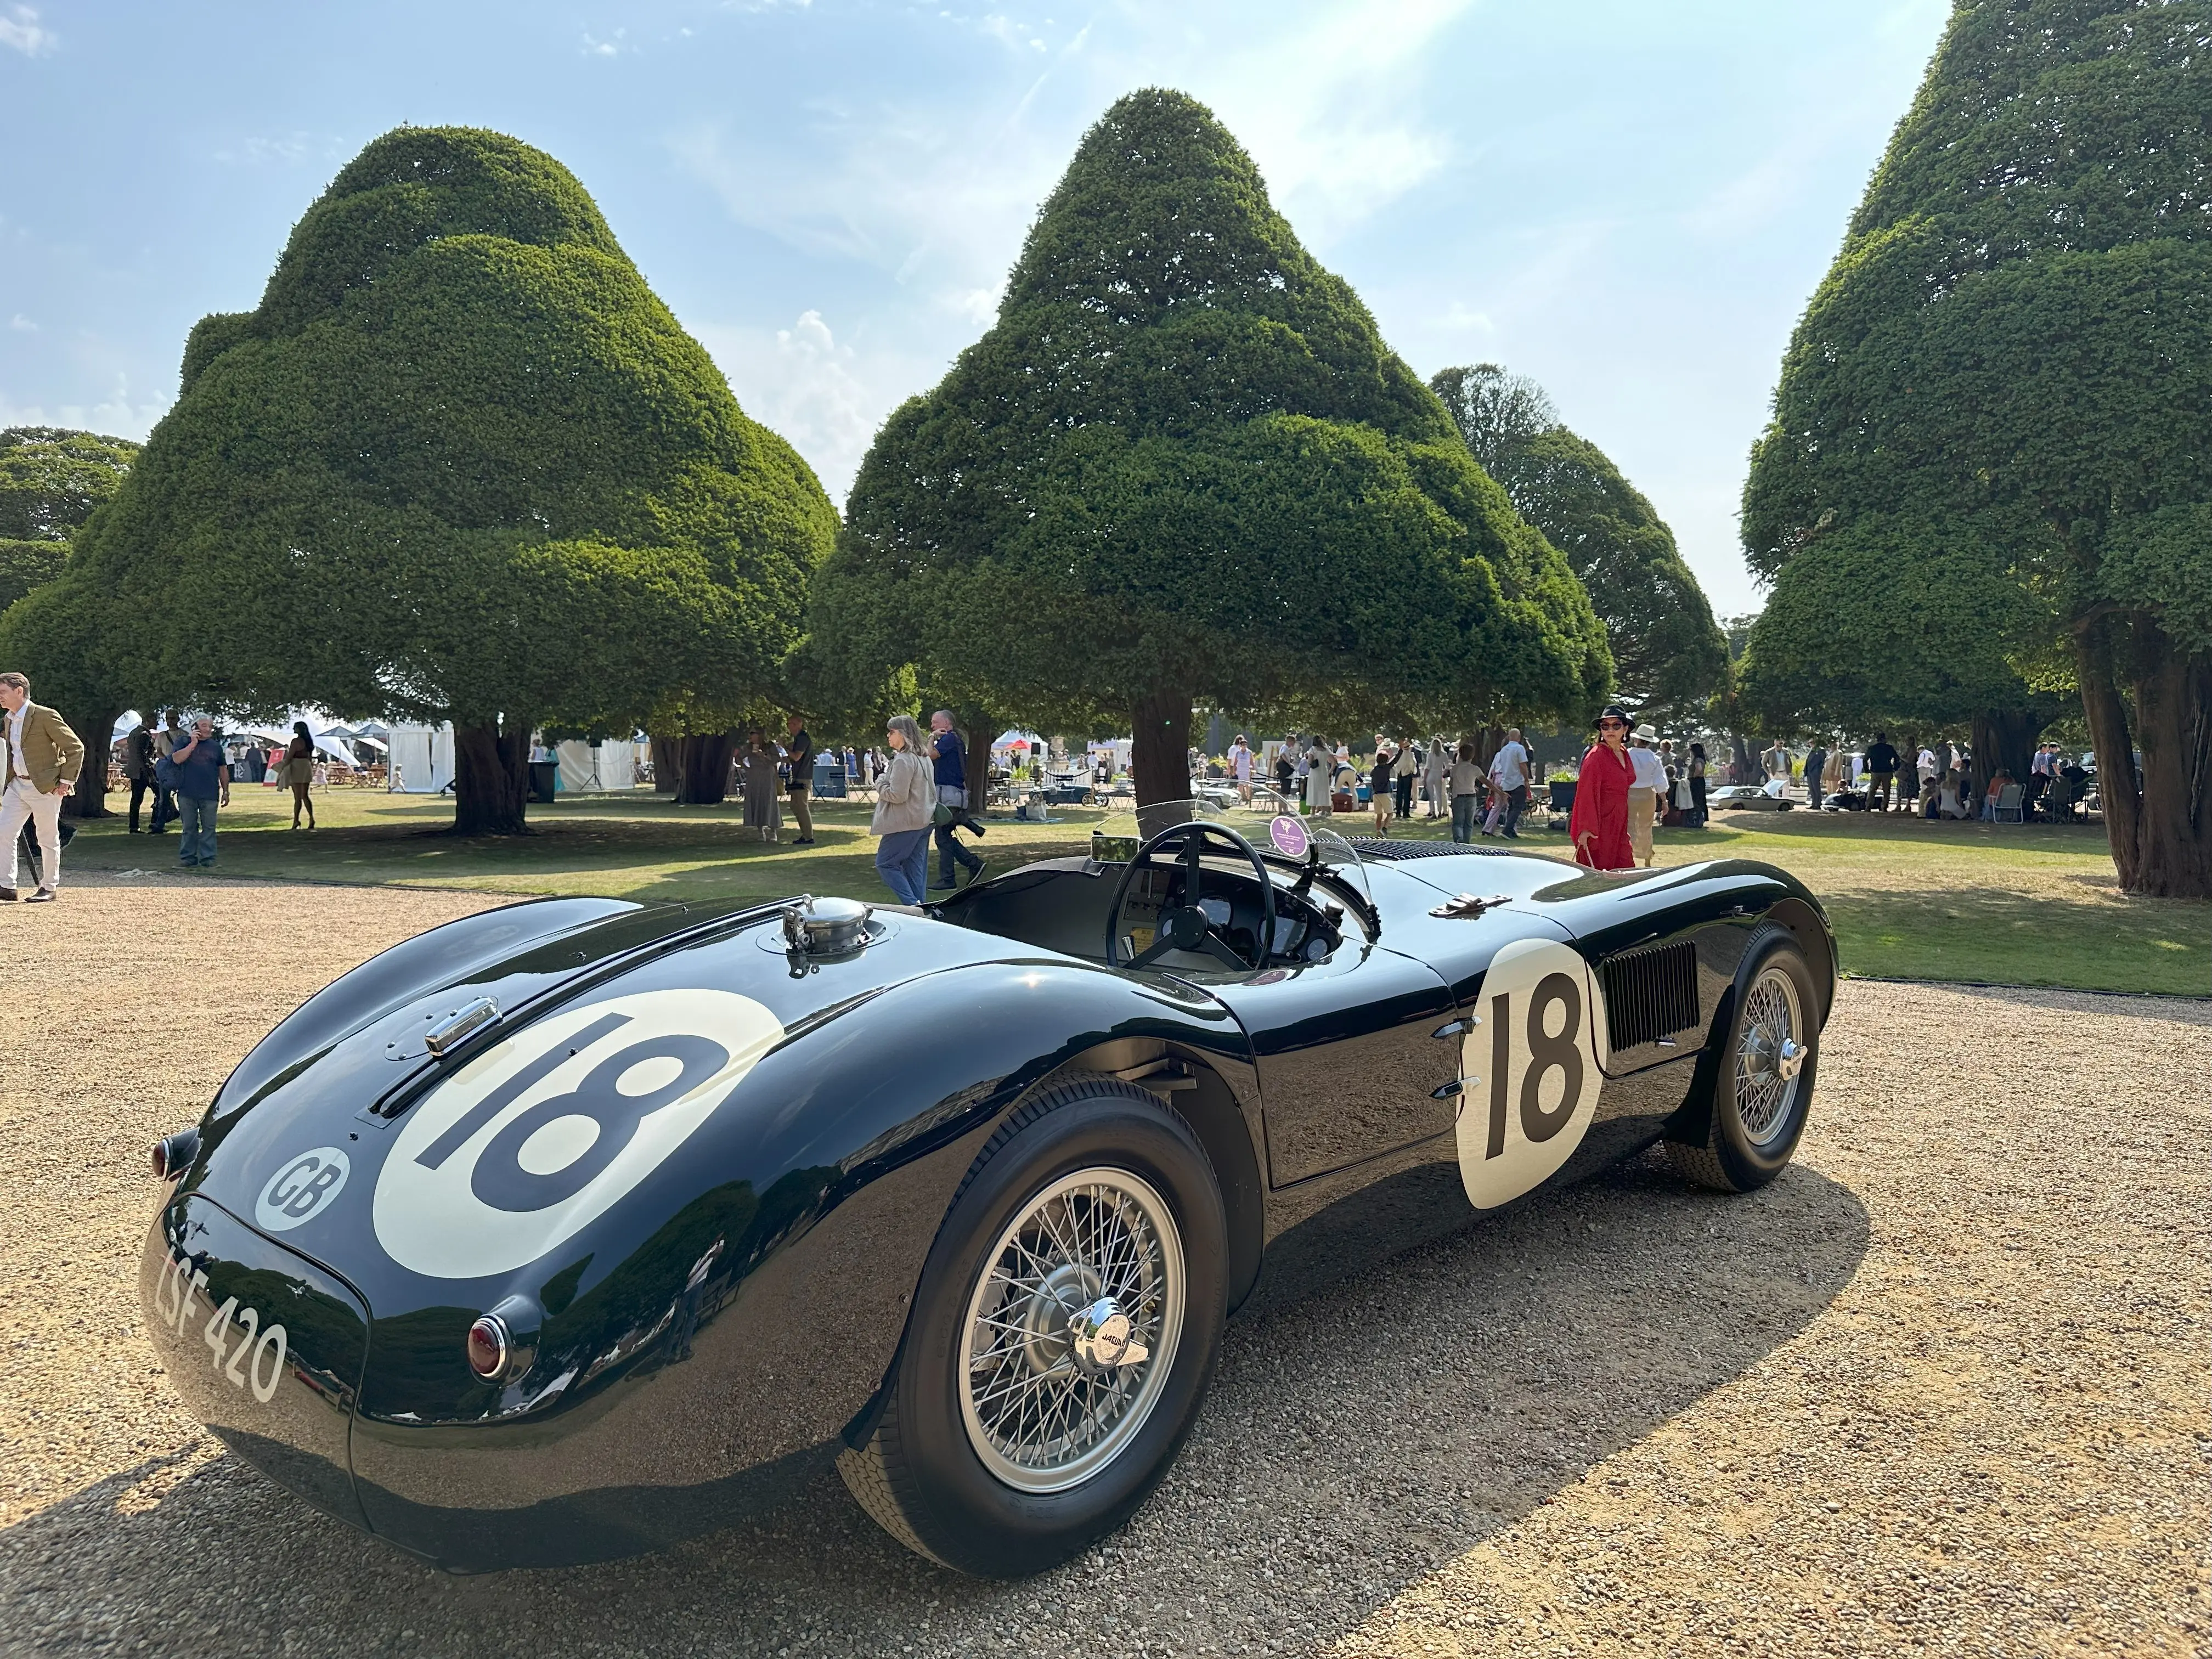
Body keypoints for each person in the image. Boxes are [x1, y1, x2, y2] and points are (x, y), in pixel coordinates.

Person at [0, 673, 83, 902]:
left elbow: (75, 747)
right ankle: (7, 886)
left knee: (46, 837)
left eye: (3, 692)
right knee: (4, 832)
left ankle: (49, 886)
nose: (0, 697)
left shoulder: (45, 715)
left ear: (19, 691)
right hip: (17, 785)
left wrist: (66, 782)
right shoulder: (8, 719)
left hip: (45, 787)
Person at [872, 715, 935, 904]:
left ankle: (911, 905)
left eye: (892, 732)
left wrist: (880, 781)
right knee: (915, 869)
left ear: (904, 734)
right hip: (924, 819)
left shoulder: (904, 760)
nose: (888, 735)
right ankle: (920, 910)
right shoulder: (924, 758)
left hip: (905, 822)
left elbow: (897, 796)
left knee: (885, 863)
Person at [1568, 706, 1636, 872]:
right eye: (1605, 726)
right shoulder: (1596, 756)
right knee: (1600, 871)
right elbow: (1585, 794)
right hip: (1600, 823)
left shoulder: (1624, 753)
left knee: (1625, 868)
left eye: (1616, 725)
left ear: (1625, 729)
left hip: (1620, 821)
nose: (1610, 730)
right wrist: (1585, 828)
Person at [927, 710, 985, 891]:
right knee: (944, 837)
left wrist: (931, 737)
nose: (932, 726)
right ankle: (959, 872)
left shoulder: (949, 739)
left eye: (935, 722)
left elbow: (930, 755)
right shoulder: (955, 740)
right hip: (954, 796)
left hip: (949, 797)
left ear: (946, 723)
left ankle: (965, 868)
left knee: (943, 837)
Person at [166, 714, 230, 869]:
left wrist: (226, 791)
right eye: (204, 726)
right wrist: (192, 744)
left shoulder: (215, 746)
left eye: (210, 726)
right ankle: (188, 858)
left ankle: (208, 859)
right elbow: (177, 759)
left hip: (210, 793)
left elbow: (222, 769)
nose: (208, 729)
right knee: (189, 828)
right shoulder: (183, 742)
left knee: (209, 828)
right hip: (187, 793)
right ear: (195, 727)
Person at [1628, 727, 1667, 868]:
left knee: (1629, 825)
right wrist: (1664, 801)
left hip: (1629, 794)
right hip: (1647, 795)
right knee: (1646, 826)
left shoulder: (1627, 754)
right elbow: (1660, 781)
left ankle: (1628, 854)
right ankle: (1647, 858)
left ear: (1636, 739)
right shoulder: (1654, 758)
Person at [738, 730, 781, 843]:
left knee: (769, 800)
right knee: (756, 800)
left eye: (753, 734)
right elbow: (739, 757)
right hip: (754, 775)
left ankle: (773, 831)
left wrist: (764, 755)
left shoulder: (770, 746)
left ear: (759, 735)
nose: (751, 736)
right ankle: (760, 831)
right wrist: (746, 768)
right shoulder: (749, 747)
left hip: (767, 774)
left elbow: (777, 759)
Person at [1489, 726, 1530, 838]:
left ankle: (1511, 831)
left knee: (1511, 807)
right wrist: (1526, 780)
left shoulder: (1504, 750)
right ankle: (1507, 830)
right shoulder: (1519, 748)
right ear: (1519, 737)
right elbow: (1522, 765)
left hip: (1506, 782)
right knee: (1518, 806)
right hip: (1517, 781)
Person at [783, 714, 817, 845]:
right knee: (795, 805)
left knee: (801, 806)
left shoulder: (803, 738)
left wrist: (785, 747)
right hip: (798, 776)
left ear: (798, 724)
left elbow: (797, 757)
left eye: (791, 724)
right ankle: (805, 834)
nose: (789, 727)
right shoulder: (798, 739)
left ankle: (808, 837)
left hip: (803, 777)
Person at [279, 720, 317, 829]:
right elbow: (310, 757)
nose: (293, 729)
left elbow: (290, 756)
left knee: (297, 797)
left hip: (297, 766)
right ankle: (311, 818)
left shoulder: (296, 741)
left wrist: (282, 766)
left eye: (295, 727)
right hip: (306, 765)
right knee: (305, 795)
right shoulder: (309, 742)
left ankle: (296, 820)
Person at [150, 709, 184, 832]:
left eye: (172, 718)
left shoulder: (184, 735)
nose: (170, 721)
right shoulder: (162, 736)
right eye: (168, 719)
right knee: (163, 800)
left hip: (180, 770)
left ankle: (189, 823)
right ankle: (160, 825)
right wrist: (167, 760)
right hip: (166, 770)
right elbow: (158, 752)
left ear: (178, 719)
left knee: (184, 799)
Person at [122, 717, 157, 833]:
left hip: (135, 770)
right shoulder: (144, 735)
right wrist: (149, 770)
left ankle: (134, 826)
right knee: (159, 794)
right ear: (147, 721)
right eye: (154, 720)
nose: (156, 723)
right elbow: (142, 754)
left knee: (136, 799)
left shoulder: (133, 732)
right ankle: (155, 823)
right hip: (143, 771)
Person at [1448, 739, 1485, 843]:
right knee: (1469, 823)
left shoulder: (1455, 769)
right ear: (1472, 756)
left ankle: (1459, 839)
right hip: (1471, 796)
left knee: (1458, 823)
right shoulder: (1475, 769)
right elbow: (1485, 781)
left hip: (1458, 796)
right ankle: (1466, 843)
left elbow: (1452, 784)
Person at [1865, 731, 1900, 812]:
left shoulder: (1872, 748)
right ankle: (1884, 807)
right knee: (1886, 791)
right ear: (1884, 739)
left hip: (1875, 771)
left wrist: (1867, 769)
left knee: (1872, 790)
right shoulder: (1889, 748)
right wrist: (1895, 768)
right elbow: (1897, 758)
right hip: (1887, 771)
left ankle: (1868, 806)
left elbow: (1865, 759)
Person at [1369, 740, 1397, 835]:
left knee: (1379, 815)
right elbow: (1395, 760)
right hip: (1385, 793)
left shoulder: (1374, 771)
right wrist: (1401, 750)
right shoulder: (1386, 768)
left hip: (1376, 794)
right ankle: (1384, 829)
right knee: (1390, 813)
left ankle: (1378, 831)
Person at [1688, 741, 1709, 827]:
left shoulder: (1697, 760)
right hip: (1700, 781)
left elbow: (1699, 769)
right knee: (1701, 799)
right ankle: (1702, 817)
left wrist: (1694, 776)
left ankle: (1698, 816)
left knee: (1696, 799)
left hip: (1696, 781)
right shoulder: (1702, 759)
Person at [1804, 739, 1829, 808]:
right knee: (1811, 788)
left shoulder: (1820, 751)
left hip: (1815, 772)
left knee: (1816, 788)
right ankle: (1814, 803)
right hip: (1809, 772)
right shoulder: (1812, 751)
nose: (1811, 744)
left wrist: (1818, 769)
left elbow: (1822, 761)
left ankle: (1818, 803)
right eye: (1810, 743)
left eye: (1812, 742)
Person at [1231, 733, 1254, 805]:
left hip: (1247, 770)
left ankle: (1248, 798)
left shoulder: (1249, 752)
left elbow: (1252, 762)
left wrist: (1253, 769)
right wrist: (1234, 770)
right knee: (1240, 785)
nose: (1244, 746)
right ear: (1241, 745)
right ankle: (1240, 799)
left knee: (1248, 785)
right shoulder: (1238, 753)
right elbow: (1235, 762)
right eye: (1243, 745)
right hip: (1240, 770)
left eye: (1245, 745)